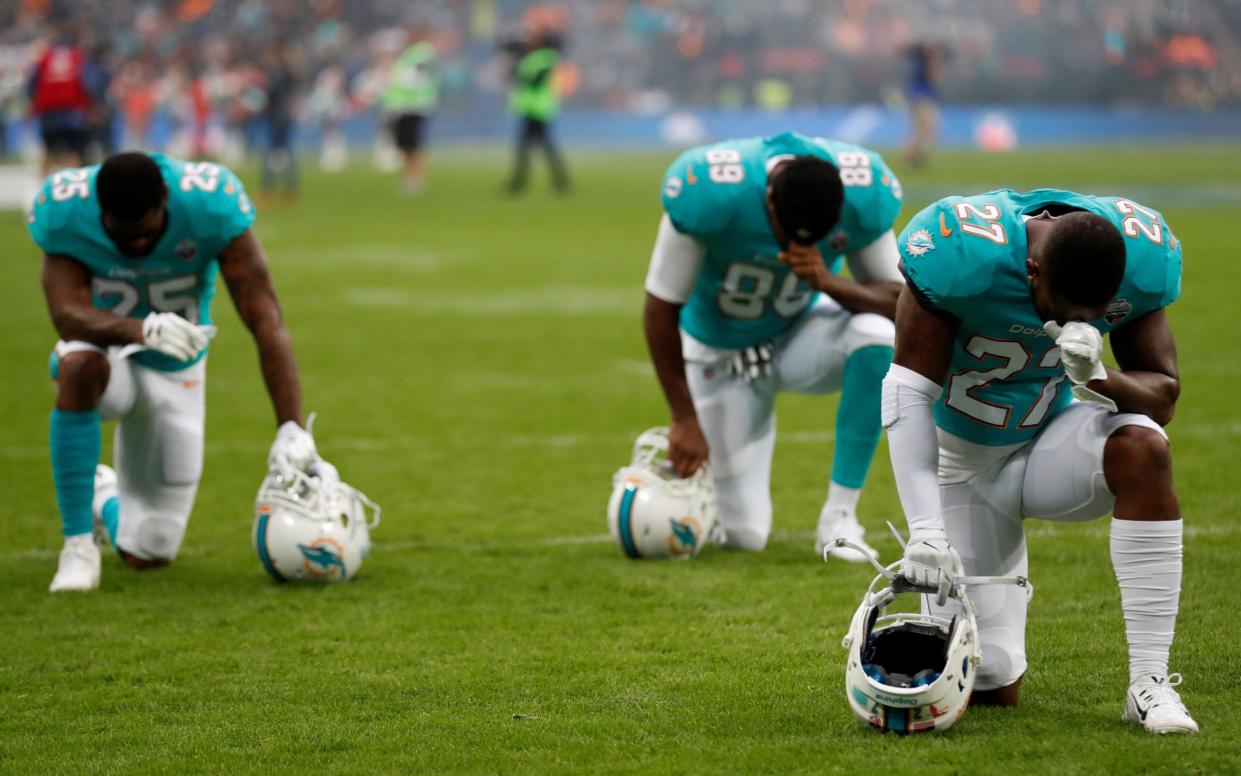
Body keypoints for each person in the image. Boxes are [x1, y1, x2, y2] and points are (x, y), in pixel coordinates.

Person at [885, 189, 1198, 732]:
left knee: (1144, 446)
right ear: (1031, 271)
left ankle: (1150, 682)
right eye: (1061, 309)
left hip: (1053, 437)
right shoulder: (963, 254)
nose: (1075, 323)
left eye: (1093, 317)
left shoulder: (1138, 258)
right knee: (990, 686)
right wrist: (925, 528)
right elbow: (907, 390)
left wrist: (1101, 378)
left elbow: (1164, 396)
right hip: (963, 469)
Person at [31, 152, 321, 592]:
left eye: (146, 235)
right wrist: (140, 329)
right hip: (112, 358)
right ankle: (77, 546)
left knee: (150, 549)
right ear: (98, 210)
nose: (137, 248)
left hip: (177, 370)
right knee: (77, 365)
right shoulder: (66, 209)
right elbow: (65, 313)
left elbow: (264, 315)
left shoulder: (208, 203)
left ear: (165, 200)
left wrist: (290, 425)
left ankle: (101, 493)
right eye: (121, 237)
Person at [643, 131, 904, 557]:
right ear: (767, 203)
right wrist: (683, 416)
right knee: (745, 536)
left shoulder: (863, 191)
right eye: (789, 234)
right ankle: (686, 467)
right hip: (721, 352)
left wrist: (828, 282)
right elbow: (660, 307)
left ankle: (840, 518)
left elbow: (900, 303)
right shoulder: (711, 191)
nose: (800, 246)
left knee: (879, 338)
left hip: (797, 335)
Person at [504, 29, 570, 195]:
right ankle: (558, 181)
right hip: (531, 108)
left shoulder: (545, 57)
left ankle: (522, 182)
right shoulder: (533, 57)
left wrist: (519, 73)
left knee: (533, 146)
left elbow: (535, 79)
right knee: (537, 147)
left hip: (538, 109)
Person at [26, 31, 97, 175]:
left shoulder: (45, 57)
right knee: (74, 151)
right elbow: (89, 83)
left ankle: (44, 189)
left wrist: (34, 103)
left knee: (48, 151)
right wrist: (92, 106)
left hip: (48, 110)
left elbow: (32, 84)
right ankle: (71, 188)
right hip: (73, 111)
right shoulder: (78, 56)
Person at [382, 28, 438, 195]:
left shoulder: (422, 53)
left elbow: (416, 78)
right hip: (404, 106)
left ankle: (416, 178)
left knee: (413, 144)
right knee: (405, 144)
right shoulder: (408, 55)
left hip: (415, 105)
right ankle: (409, 177)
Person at [902, 41, 941, 169]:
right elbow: (932, 77)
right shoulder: (923, 64)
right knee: (925, 129)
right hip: (921, 99)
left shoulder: (917, 64)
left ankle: (913, 155)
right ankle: (912, 156)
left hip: (918, 98)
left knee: (921, 129)